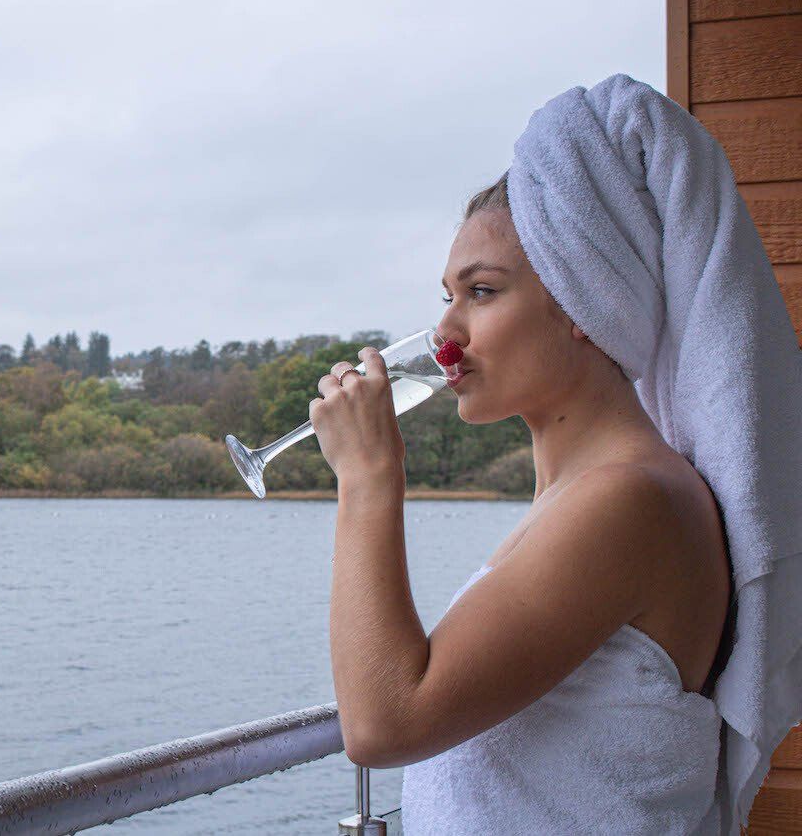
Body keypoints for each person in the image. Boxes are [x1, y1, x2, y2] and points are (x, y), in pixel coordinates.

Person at [311, 171, 734, 833]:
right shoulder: (586, 496)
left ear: (582, 305)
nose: (443, 333)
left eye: (481, 292)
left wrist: (367, 473)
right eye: (448, 296)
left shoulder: (630, 499)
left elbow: (381, 723)